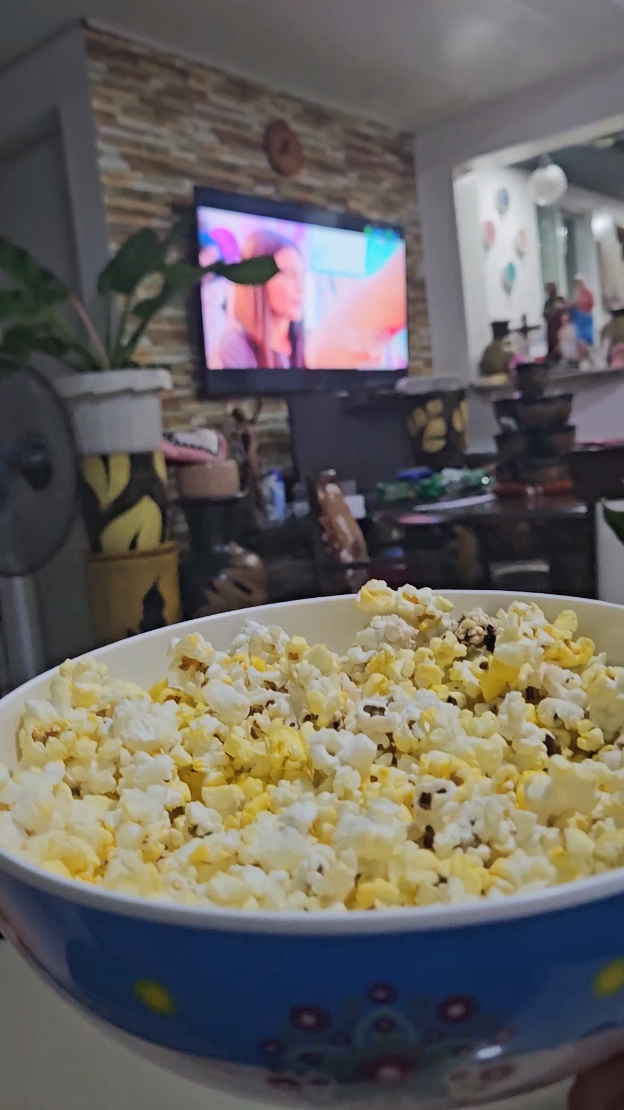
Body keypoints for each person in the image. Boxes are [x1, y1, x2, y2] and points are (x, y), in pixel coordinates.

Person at [218, 230, 305, 369]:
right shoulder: (235, 348)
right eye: (289, 274)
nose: (301, 288)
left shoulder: (307, 346)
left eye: (302, 275)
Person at [571, 275, 595, 354]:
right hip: (578, 317)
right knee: (579, 337)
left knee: (587, 336)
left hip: (586, 317)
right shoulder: (576, 293)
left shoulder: (588, 293)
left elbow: (591, 303)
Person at [544, 282, 564, 360]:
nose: (550, 291)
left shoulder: (560, 300)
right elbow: (545, 314)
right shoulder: (548, 302)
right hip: (551, 328)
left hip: (560, 327)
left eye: (551, 289)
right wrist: (551, 312)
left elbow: (565, 310)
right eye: (548, 290)